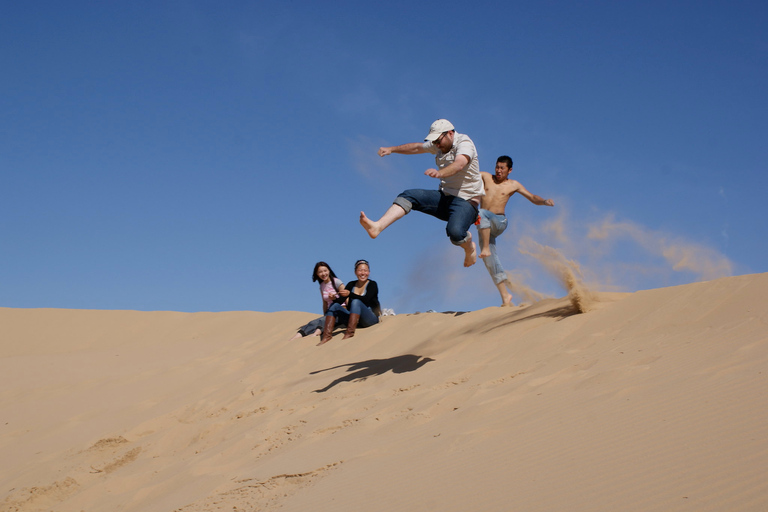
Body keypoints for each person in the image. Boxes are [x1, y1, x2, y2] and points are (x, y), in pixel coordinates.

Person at [360, 119, 484, 268]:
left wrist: (440, 173)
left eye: (439, 141)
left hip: (466, 203)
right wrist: (391, 149)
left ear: (450, 134)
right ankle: (378, 226)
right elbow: (416, 148)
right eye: (435, 142)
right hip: (445, 198)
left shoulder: (464, 143)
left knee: (456, 233)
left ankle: (469, 247)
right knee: (409, 195)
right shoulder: (438, 144)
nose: (437, 145)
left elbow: (460, 164)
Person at [477, 155, 555, 306]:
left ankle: (486, 247)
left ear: (509, 170)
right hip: (484, 226)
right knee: (489, 260)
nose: (498, 171)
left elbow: (532, 197)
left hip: (499, 222)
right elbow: (468, 172)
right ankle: (506, 296)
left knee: (480, 214)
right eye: (497, 167)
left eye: (502, 168)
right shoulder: (485, 177)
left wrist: (544, 201)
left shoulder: (513, 185)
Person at [319, 259, 381, 345]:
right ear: (355, 272)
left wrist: (350, 294)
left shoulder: (372, 284)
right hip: (355, 321)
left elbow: (366, 299)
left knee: (356, 302)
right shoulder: (351, 284)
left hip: (370, 320)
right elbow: (340, 301)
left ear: (369, 272)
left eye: (365, 270)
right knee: (335, 305)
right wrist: (333, 299)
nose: (363, 273)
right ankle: (326, 336)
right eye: (360, 270)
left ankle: (349, 333)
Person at [288, 261, 347, 340]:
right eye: (320, 272)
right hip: (330, 312)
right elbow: (324, 303)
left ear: (329, 271)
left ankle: (316, 334)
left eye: (325, 271)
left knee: (324, 320)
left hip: (341, 311)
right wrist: (325, 314)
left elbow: (347, 297)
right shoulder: (322, 286)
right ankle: (297, 336)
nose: (323, 274)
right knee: (313, 322)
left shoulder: (337, 282)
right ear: (317, 274)